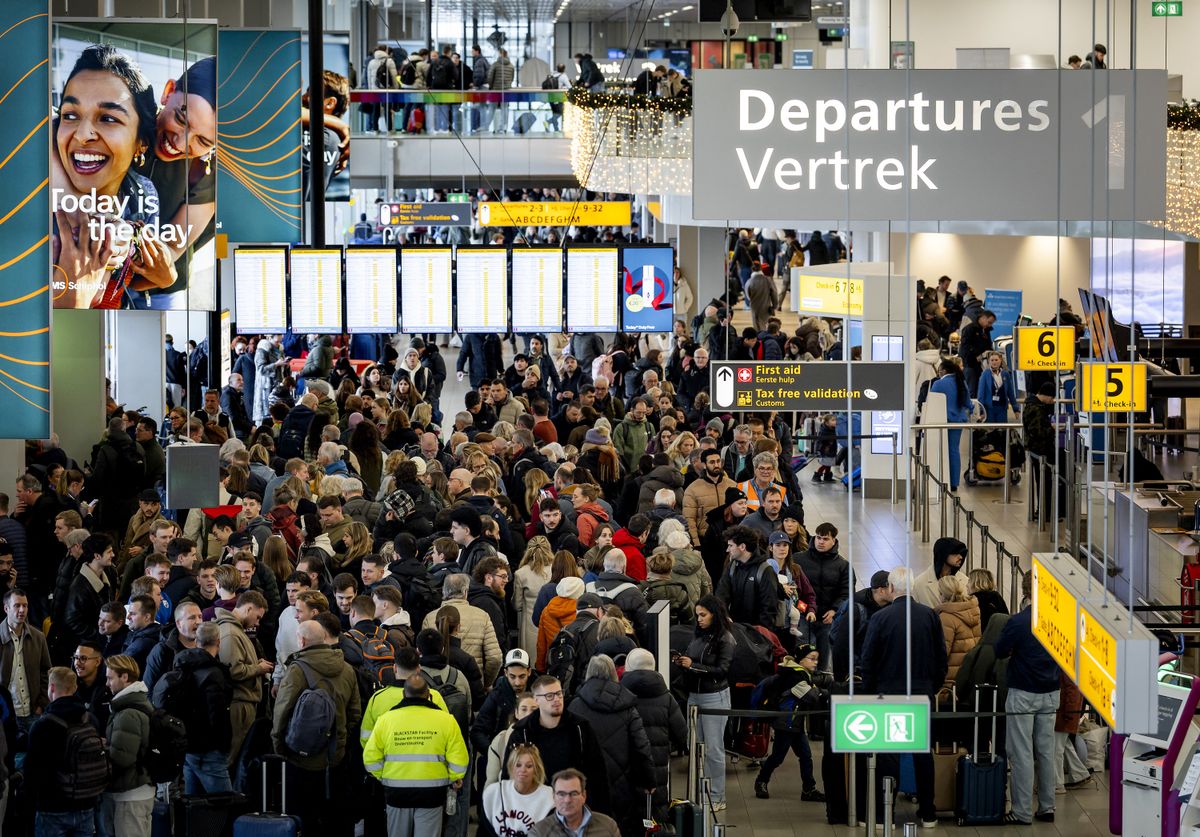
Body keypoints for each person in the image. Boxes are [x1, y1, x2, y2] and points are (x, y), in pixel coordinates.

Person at [859, 568, 947, 827]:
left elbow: (868, 660)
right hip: (921, 694)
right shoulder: (929, 615)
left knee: (888, 754)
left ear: (891, 587)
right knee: (922, 753)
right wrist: (931, 687)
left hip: (889, 694)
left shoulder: (881, 618)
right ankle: (928, 813)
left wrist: (872, 692)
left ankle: (882, 814)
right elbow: (940, 659)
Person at [272, 619, 361, 833]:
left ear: (301, 640)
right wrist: (339, 739)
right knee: (335, 818)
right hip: (335, 757)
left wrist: (279, 745)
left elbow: (282, 711)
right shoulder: (347, 669)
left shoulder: (297, 670)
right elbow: (355, 712)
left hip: (301, 758)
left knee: (305, 818)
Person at [363, 672, 469, 837]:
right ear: (428, 695)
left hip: (396, 794)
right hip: (432, 795)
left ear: (404, 694)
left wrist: (384, 777)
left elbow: (370, 759)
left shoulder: (386, 720)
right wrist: (453, 777)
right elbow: (460, 761)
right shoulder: (447, 720)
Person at [995, 572, 1060, 825]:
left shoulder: (1019, 621)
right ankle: (1047, 806)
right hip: (1051, 691)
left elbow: (999, 651)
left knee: (1021, 753)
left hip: (1023, 692)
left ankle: (1021, 811)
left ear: (1025, 590)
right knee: (1046, 751)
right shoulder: (1058, 619)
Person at [567, 655, 655, 834]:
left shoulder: (575, 706)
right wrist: (648, 780)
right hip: (622, 786)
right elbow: (641, 747)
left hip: (585, 786)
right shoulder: (628, 706)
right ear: (614, 673)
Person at [502, 675, 609, 811]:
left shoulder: (580, 728)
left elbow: (598, 775)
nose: (557, 700)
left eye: (559, 694)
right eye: (549, 696)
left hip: (574, 809)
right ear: (536, 700)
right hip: (534, 812)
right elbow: (509, 777)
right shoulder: (522, 733)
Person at [25, 666, 105, 834]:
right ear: (74, 688)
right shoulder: (89, 719)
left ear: (51, 688)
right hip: (86, 805)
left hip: (52, 808)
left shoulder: (42, 726)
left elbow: (32, 774)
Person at [674, 594, 735, 812]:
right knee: (696, 746)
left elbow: (722, 670)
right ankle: (702, 790)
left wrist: (693, 665)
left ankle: (717, 795)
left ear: (714, 615)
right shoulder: (699, 635)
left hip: (714, 697)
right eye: (697, 615)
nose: (698, 619)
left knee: (714, 749)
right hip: (696, 695)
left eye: (703, 615)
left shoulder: (725, 639)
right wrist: (684, 663)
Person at [752, 645, 828, 802]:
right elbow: (812, 696)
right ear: (800, 660)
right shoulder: (795, 677)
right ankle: (761, 781)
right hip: (786, 723)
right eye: (812, 658)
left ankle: (808, 789)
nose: (815, 662)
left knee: (805, 756)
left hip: (795, 723)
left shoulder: (798, 673)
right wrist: (825, 690)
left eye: (817, 659)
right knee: (778, 757)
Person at [621, 648, 686, 820]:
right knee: (655, 813)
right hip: (658, 765)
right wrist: (666, 746)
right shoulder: (666, 697)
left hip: (627, 763)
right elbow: (682, 734)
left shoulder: (620, 695)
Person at [171, 621, 234, 794]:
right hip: (209, 749)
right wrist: (224, 744)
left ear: (196, 642)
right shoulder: (214, 674)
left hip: (188, 746)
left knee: (195, 807)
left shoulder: (182, 665)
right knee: (223, 804)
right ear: (218, 642)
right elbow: (217, 714)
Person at [215, 590, 272, 767]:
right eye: (257, 617)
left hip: (243, 703)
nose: (257, 623)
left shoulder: (236, 630)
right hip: (238, 704)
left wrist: (256, 663)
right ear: (248, 609)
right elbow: (233, 670)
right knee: (230, 759)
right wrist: (258, 668)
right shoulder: (231, 633)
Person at [100, 654, 155, 837]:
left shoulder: (127, 713)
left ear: (124, 677)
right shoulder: (140, 703)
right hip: (140, 789)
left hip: (129, 794)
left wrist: (102, 749)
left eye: (110, 678)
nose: (107, 684)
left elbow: (122, 758)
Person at [795, 522, 849, 671]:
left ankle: (823, 688)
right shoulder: (798, 560)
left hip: (827, 619)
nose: (821, 542)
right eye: (818, 537)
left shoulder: (843, 566)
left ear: (834, 540)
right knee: (803, 657)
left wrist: (834, 610)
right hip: (803, 616)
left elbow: (846, 592)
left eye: (825, 539)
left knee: (824, 659)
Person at [0, 587, 50, 734]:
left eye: (25, 605)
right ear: (6, 608)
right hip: (6, 714)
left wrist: (42, 704)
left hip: (33, 712)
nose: (22, 610)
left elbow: (46, 672)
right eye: (17, 605)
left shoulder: (38, 637)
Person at [481, 743, 555, 837]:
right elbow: (483, 831)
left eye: (529, 766)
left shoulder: (548, 798)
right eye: (518, 765)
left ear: (536, 769)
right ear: (511, 767)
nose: (523, 770)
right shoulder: (494, 792)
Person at [716, 525, 780, 631]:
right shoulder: (732, 566)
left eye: (731, 546)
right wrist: (725, 616)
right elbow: (721, 594)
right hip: (735, 629)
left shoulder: (765, 570)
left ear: (742, 547)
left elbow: (769, 608)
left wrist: (760, 636)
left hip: (756, 634)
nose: (727, 550)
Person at [930, 359, 972, 491]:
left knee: (941, 450)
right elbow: (968, 403)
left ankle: (941, 479)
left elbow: (931, 402)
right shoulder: (961, 382)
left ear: (943, 371)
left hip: (941, 421)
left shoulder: (938, 384)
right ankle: (954, 482)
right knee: (954, 450)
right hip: (957, 421)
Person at [936, 574, 981, 689]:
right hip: (969, 674)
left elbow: (942, 653)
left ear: (942, 595)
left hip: (950, 680)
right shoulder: (973, 611)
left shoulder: (946, 617)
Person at [914, 536, 970, 608]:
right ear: (943, 554)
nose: (960, 557)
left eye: (961, 553)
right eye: (955, 553)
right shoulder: (919, 584)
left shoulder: (965, 581)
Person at [958, 309, 995, 397]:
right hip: (970, 364)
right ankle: (971, 410)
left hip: (981, 364)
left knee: (980, 389)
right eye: (989, 322)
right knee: (971, 390)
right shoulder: (969, 329)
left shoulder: (986, 330)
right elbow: (965, 347)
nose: (989, 325)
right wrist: (975, 356)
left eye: (991, 323)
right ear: (983, 318)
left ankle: (979, 409)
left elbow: (987, 345)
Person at [977, 351, 1019, 424]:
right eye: (992, 360)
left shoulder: (1005, 374)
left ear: (1000, 360)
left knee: (1002, 431)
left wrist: (1015, 409)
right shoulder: (985, 374)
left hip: (1002, 408)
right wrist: (981, 411)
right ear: (989, 362)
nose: (994, 362)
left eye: (996, 360)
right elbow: (981, 394)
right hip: (989, 409)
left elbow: (1010, 392)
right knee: (991, 432)